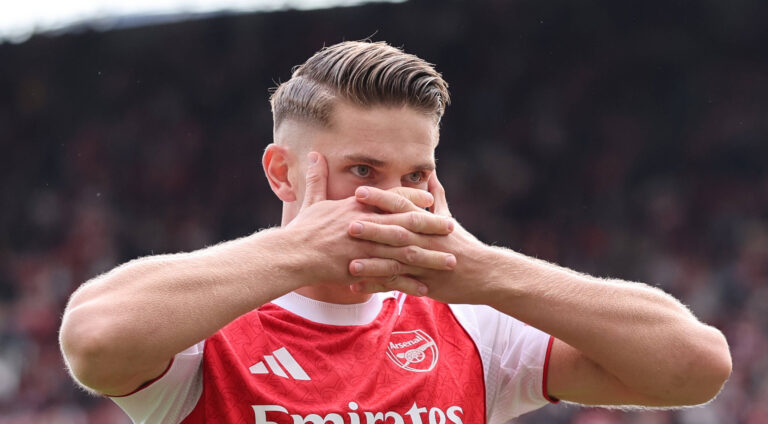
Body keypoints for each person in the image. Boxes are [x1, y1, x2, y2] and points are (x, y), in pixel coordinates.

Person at [59, 41, 731, 424]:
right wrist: (295, 252)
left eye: (416, 174)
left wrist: (488, 271)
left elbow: (695, 367)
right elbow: (93, 343)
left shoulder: (474, 321)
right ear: (281, 173)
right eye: (362, 169)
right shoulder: (210, 320)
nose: (392, 199)